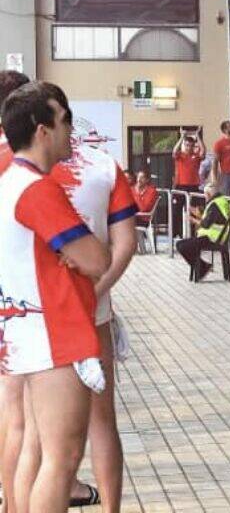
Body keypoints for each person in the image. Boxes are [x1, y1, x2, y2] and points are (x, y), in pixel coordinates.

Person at [0, 81, 111, 512]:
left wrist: (73, 255)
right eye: (64, 121)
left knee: (36, 449)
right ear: (42, 130)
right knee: (60, 461)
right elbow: (97, 258)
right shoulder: (37, 189)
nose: (71, 132)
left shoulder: (10, 182)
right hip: (53, 335)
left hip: (26, 328)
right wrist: (78, 256)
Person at [174, 182, 230, 282]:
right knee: (182, 244)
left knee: (181, 245)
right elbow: (214, 220)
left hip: (211, 238)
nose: (204, 197)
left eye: (205, 195)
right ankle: (202, 267)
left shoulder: (215, 205)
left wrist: (194, 220)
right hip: (214, 237)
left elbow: (206, 224)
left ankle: (202, 267)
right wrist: (198, 215)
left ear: (209, 194)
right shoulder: (221, 201)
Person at [171, 126, 204, 236]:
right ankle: (177, 233)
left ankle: (192, 234)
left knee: (193, 212)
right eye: (186, 145)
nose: (189, 147)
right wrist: (182, 137)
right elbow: (174, 151)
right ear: (184, 145)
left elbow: (203, 151)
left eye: (190, 145)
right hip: (180, 186)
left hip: (193, 187)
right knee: (176, 211)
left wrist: (197, 136)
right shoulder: (180, 155)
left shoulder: (196, 156)